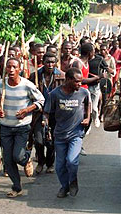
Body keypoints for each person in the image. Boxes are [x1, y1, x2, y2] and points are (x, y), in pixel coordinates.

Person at [0, 58, 45, 198]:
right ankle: (17, 187)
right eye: (8, 67)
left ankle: (27, 159)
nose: (11, 70)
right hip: (6, 127)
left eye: (14, 67)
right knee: (8, 161)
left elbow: (41, 100)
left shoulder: (27, 85)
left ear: (19, 68)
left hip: (22, 127)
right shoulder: (0, 85)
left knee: (18, 156)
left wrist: (27, 110)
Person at [44, 67, 91, 198]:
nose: (79, 84)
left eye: (81, 81)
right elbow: (47, 112)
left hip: (76, 134)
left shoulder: (83, 93)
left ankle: (73, 180)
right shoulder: (55, 94)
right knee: (59, 166)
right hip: (59, 135)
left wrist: (87, 117)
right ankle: (64, 186)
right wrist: (46, 125)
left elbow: (88, 105)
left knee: (72, 161)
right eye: (76, 81)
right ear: (68, 80)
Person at [29, 52, 65, 174]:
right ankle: (40, 162)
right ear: (43, 62)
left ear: (56, 63)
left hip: (55, 113)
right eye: (47, 62)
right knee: (38, 140)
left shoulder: (61, 76)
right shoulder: (35, 76)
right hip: (39, 112)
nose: (50, 64)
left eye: (52, 62)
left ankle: (50, 163)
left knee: (52, 141)